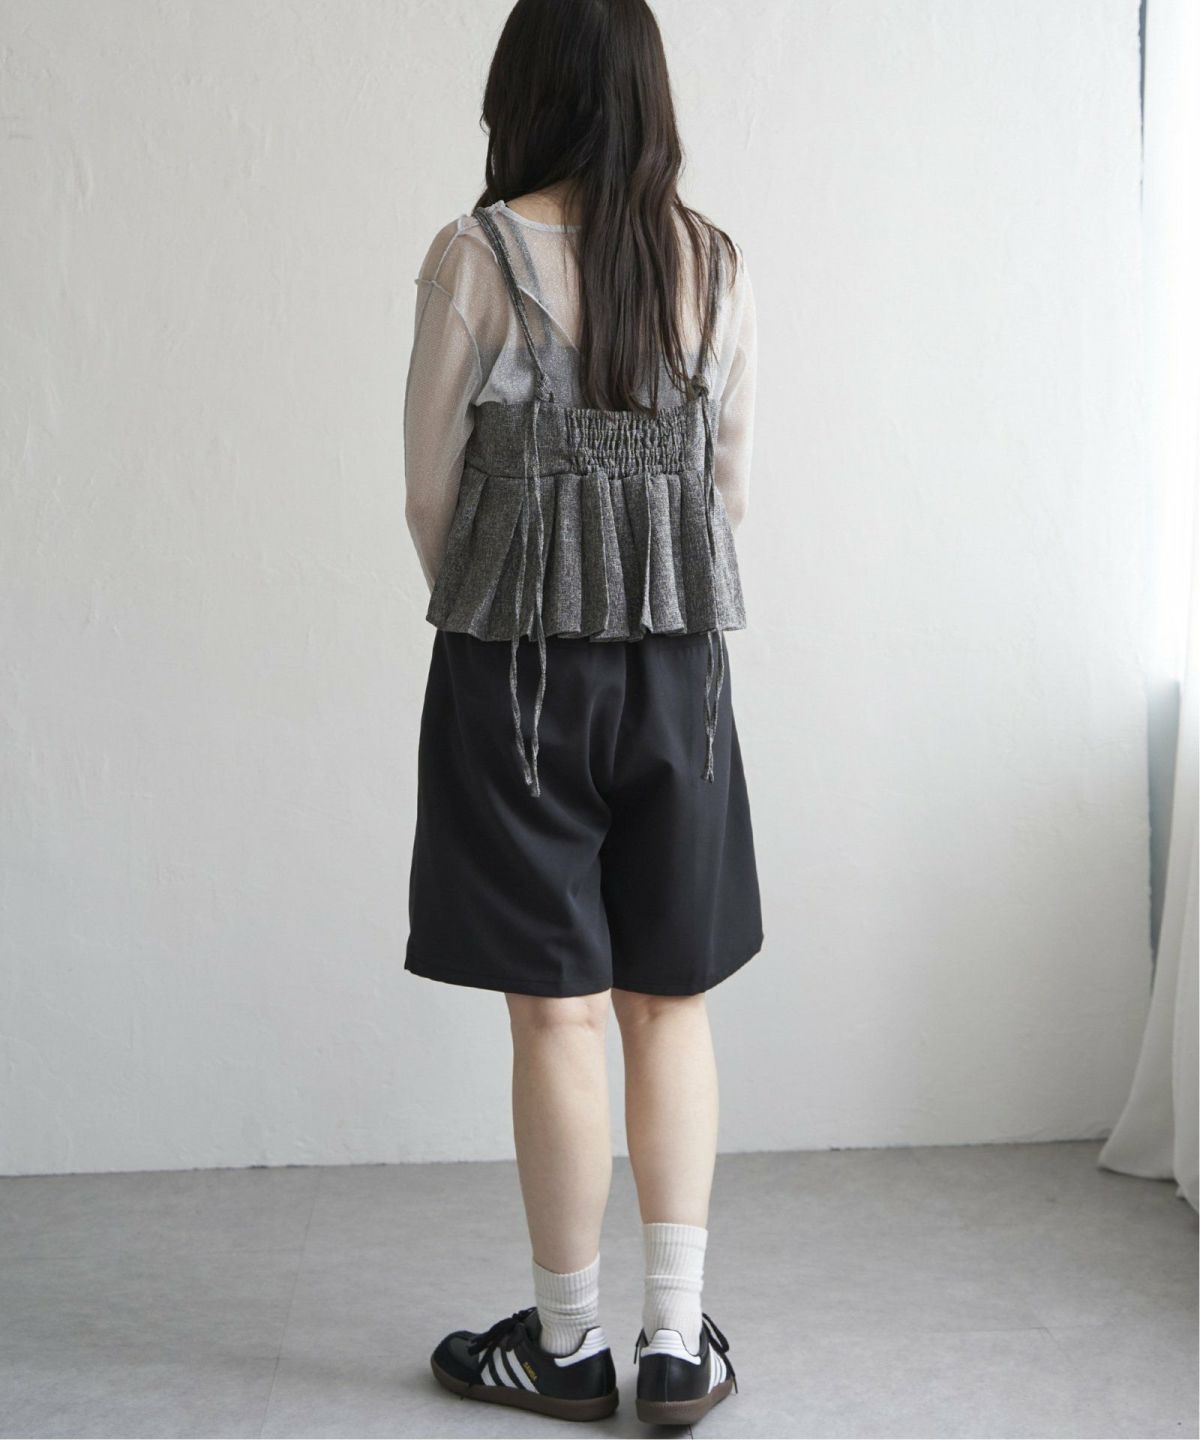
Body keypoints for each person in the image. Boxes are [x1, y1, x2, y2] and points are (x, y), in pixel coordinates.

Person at [401, 0, 762, 1425]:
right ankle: (676, 1342)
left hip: (520, 670)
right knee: (669, 1000)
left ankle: (565, 1346)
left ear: (526, 91)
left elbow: (429, 496)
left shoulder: (477, 255)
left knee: (558, 1017)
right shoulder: (715, 263)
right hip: (682, 672)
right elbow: (727, 495)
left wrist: (516, 605)